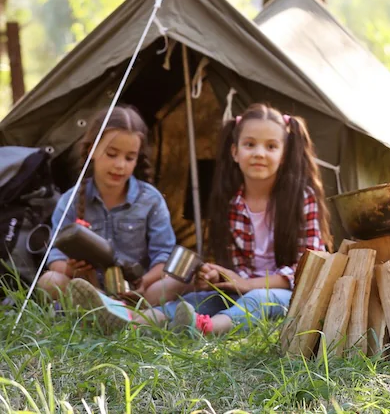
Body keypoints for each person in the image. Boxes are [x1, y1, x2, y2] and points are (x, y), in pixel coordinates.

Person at [66, 104, 331, 335]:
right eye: (250, 144)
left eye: (271, 146)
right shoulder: (232, 204)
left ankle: (207, 328)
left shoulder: (301, 200)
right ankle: (131, 320)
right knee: (197, 299)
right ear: (235, 152)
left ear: (283, 156)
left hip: (286, 294)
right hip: (238, 291)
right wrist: (217, 274)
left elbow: (308, 268)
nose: (259, 153)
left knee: (258, 299)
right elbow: (236, 271)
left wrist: (248, 284)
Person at [38, 106, 177, 306]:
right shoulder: (70, 200)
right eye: (112, 154)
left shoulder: (150, 200)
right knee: (49, 280)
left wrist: (142, 284)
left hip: (138, 295)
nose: (120, 165)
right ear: (92, 149)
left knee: (175, 281)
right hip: (90, 290)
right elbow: (55, 257)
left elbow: (164, 257)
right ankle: (105, 310)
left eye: (129, 158)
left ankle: (126, 314)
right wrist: (73, 269)